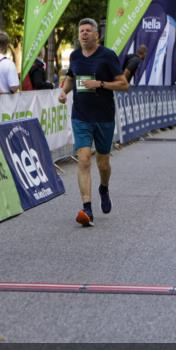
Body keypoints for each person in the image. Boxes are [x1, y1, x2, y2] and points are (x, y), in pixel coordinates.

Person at [58, 18, 128, 227]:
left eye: (88, 30)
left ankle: (104, 188)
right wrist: (63, 91)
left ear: (97, 35)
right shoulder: (75, 56)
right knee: (84, 159)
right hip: (81, 116)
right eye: (81, 31)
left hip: (104, 117)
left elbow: (124, 85)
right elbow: (71, 78)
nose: (84, 34)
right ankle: (87, 208)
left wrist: (101, 84)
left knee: (103, 163)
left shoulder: (107, 56)